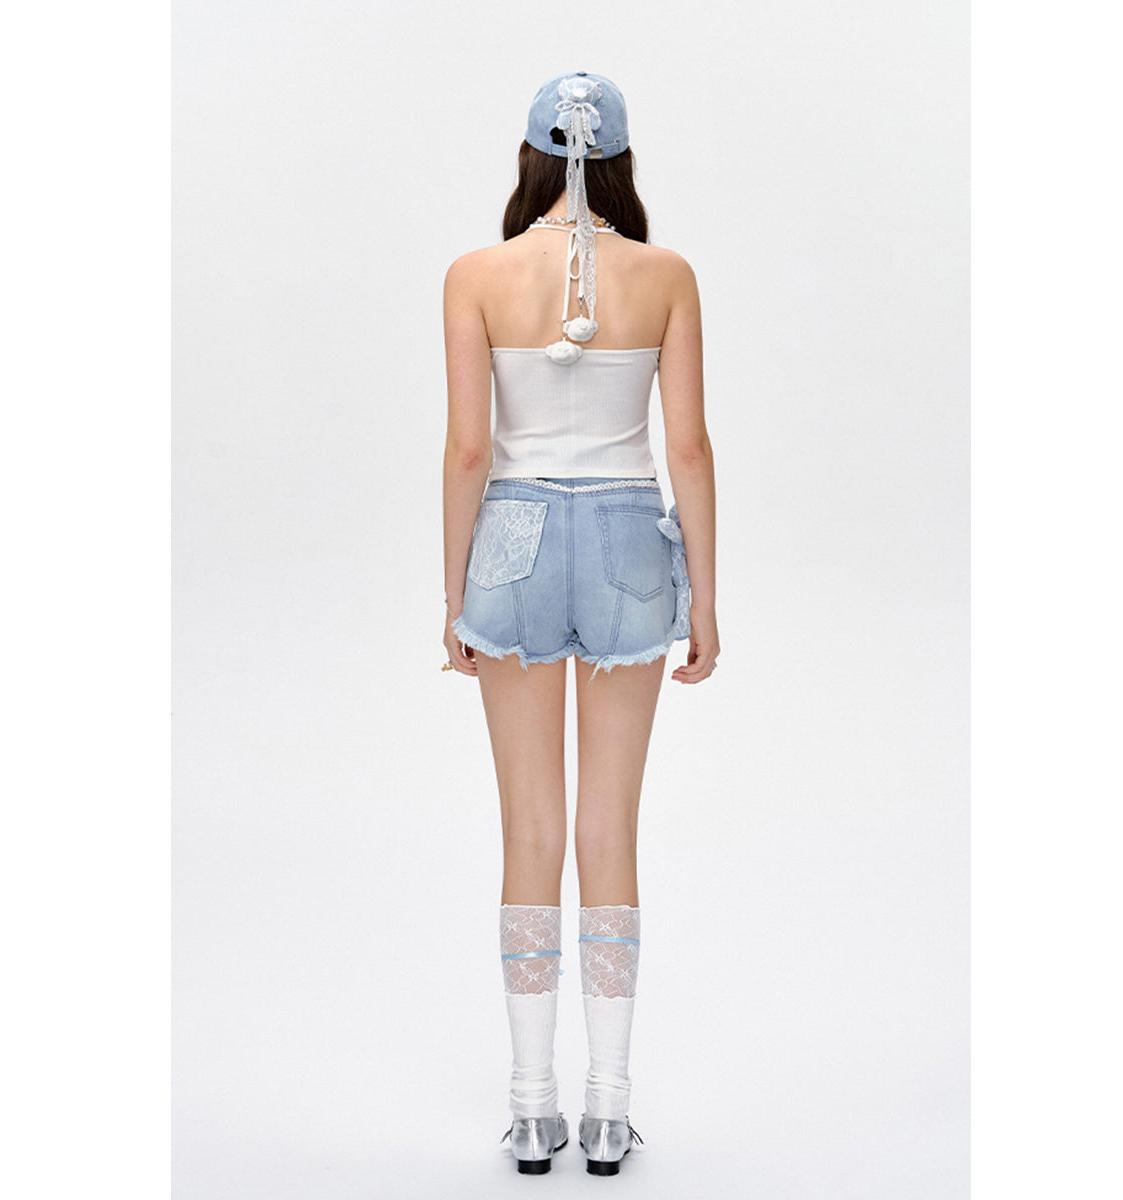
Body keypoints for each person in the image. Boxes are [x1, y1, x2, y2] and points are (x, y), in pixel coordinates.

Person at [440, 71, 719, 1176]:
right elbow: (686, 447)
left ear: (529, 156)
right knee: (612, 830)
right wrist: (706, 598)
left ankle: (530, 1107)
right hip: (626, 544)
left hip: (510, 541)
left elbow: (470, 449)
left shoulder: (475, 273)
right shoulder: (667, 274)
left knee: (530, 831)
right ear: (619, 159)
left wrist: (453, 595)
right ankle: (608, 1107)